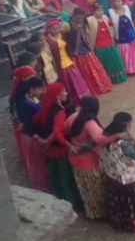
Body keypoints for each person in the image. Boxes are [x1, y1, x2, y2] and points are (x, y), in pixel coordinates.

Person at [32, 82, 83, 210]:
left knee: (54, 177)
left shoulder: (45, 108)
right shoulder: (60, 112)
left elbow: (35, 121)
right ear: (57, 96)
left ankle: (57, 202)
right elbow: (57, 132)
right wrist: (69, 146)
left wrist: (43, 139)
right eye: (64, 92)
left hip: (49, 150)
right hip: (60, 150)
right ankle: (72, 206)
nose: (66, 93)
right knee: (66, 178)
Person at [65, 96, 118, 219]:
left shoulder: (73, 117)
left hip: (75, 160)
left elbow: (64, 130)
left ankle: (92, 212)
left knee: (86, 190)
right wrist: (116, 135)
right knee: (95, 190)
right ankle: (100, 214)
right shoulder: (90, 123)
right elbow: (99, 139)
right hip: (89, 162)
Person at [12, 76, 49, 192]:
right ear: (32, 89)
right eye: (39, 89)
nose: (41, 92)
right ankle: (42, 187)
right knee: (38, 162)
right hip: (33, 136)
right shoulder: (25, 105)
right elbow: (29, 124)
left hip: (34, 134)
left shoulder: (29, 99)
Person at [65, 8, 113, 95]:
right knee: (84, 73)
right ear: (74, 16)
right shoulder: (68, 25)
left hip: (86, 49)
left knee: (95, 69)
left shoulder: (85, 22)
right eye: (78, 17)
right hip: (76, 53)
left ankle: (101, 87)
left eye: (81, 16)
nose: (80, 18)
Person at [85, 4, 127, 84]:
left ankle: (118, 78)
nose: (100, 13)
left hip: (109, 43)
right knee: (104, 63)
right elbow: (87, 32)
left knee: (115, 61)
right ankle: (107, 80)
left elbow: (110, 28)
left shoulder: (105, 17)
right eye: (98, 11)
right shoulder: (90, 20)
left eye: (101, 10)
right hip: (99, 46)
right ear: (93, 12)